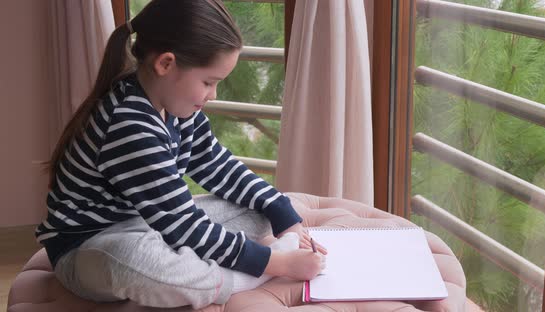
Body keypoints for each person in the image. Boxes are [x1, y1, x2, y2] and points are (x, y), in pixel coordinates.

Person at [35, 0, 326, 309]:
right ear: (166, 64)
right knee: (135, 263)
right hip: (91, 247)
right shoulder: (128, 125)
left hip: (152, 223)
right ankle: (240, 278)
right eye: (208, 82)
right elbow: (181, 223)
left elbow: (219, 167)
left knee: (262, 211)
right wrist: (277, 265)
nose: (212, 95)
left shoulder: (178, 109)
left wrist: (284, 216)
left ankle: (239, 255)